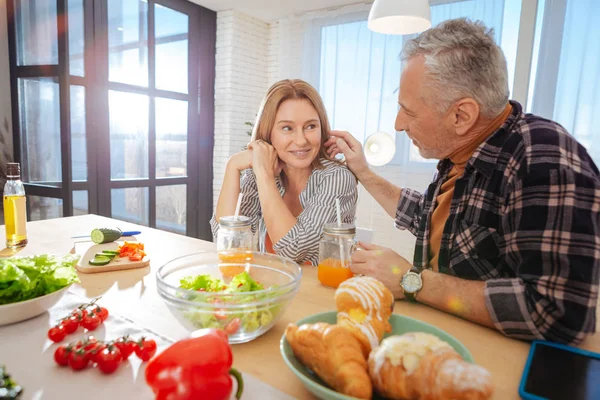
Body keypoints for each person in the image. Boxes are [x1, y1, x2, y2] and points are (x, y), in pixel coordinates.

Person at [326, 19, 600, 345]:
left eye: (408, 111)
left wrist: (412, 281)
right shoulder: (461, 154)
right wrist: (365, 173)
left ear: (461, 116)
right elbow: (426, 215)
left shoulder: (543, 158)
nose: (398, 124)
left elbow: (558, 312)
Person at [212, 79, 358, 266]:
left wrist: (265, 176)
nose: (301, 140)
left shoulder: (337, 178)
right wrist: (232, 166)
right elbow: (227, 241)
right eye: (287, 128)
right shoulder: (258, 173)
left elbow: (295, 249)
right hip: (270, 288)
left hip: (319, 293)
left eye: (311, 126)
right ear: (268, 132)